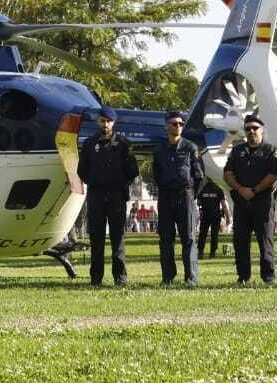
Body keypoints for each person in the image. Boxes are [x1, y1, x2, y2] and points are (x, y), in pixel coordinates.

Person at [78, 106, 137, 286]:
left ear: (114, 122)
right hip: (96, 195)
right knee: (96, 238)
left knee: (117, 239)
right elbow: (82, 171)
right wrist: (96, 181)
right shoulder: (89, 144)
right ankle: (96, 278)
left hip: (116, 196)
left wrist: (118, 183)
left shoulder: (124, 144)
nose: (105, 124)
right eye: (102, 121)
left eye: (109, 121)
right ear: (98, 121)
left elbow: (132, 170)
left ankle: (120, 278)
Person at [223, 113, 277, 285]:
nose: (251, 131)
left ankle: (268, 277)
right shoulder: (237, 150)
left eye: (255, 128)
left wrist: (255, 190)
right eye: (248, 128)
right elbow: (227, 173)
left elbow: (275, 174)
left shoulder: (271, 150)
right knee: (240, 241)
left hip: (263, 202)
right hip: (242, 202)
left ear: (262, 130)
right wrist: (241, 189)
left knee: (265, 241)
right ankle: (243, 276)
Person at [150, 109, 204, 287]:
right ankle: (168, 277)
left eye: (181, 124)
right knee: (166, 239)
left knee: (188, 238)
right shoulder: (159, 149)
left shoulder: (190, 148)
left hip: (185, 196)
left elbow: (199, 176)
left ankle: (191, 277)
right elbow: (156, 174)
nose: (178, 126)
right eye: (174, 123)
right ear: (166, 126)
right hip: (165, 198)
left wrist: (191, 195)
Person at [197, 176, 228, 259]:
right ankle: (212, 254)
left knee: (202, 234)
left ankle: (200, 253)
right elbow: (224, 205)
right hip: (215, 215)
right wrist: (227, 217)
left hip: (205, 215)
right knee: (214, 235)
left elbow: (198, 202)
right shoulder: (218, 189)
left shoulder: (203, 189)